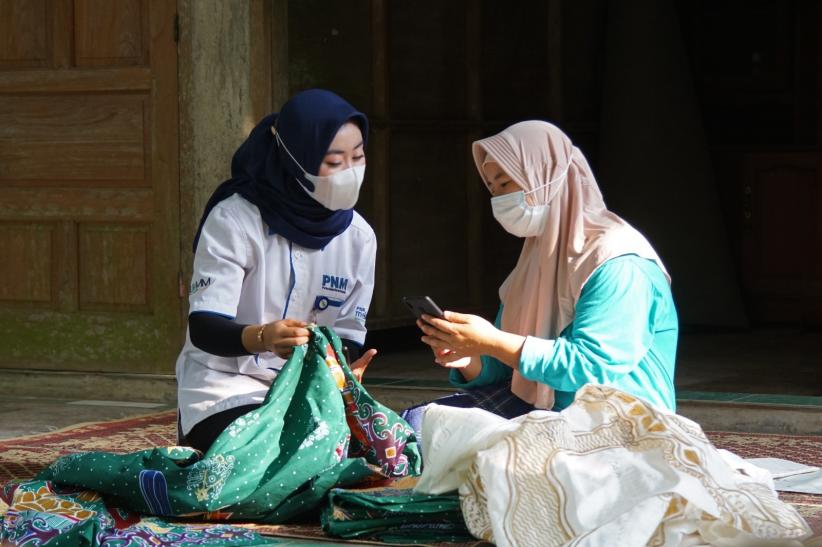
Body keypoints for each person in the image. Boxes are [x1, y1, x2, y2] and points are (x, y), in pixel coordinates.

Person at [402, 120, 678, 438]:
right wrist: (471, 357)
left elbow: (590, 367)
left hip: (621, 424)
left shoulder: (619, 263)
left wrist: (492, 341)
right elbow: (506, 369)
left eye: (505, 184)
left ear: (546, 178)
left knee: (480, 457)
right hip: (545, 413)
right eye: (492, 189)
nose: (498, 199)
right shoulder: (536, 262)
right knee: (416, 427)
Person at [176, 89, 378, 453]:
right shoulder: (235, 219)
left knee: (368, 447)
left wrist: (342, 371)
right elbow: (204, 327)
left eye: (358, 157)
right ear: (296, 159)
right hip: (226, 384)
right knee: (264, 451)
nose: (350, 173)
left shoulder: (359, 237)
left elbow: (347, 335)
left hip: (308, 390)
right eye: (334, 163)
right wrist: (264, 337)